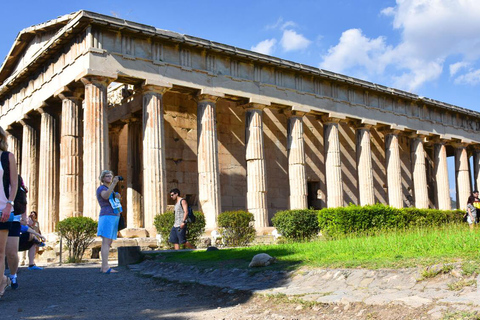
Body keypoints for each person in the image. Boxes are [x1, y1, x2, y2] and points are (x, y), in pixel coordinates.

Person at [0, 127, 18, 298]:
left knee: (0, 252)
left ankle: (0, 286)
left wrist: (9, 205)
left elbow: (14, 184)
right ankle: (3, 279)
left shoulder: (7, 157)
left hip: (2, 208)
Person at [96, 170, 122, 273]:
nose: (110, 178)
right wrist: (114, 183)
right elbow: (105, 196)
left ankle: (103, 267)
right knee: (106, 242)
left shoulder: (109, 189)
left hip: (112, 216)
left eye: (110, 176)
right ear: (102, 178)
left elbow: (113, 201)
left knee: (108, 242)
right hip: (107, 216)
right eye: (107, 176)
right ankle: (105, 267)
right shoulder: (101, 188)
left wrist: (117, 197)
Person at [6, 175, 27, 289]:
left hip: (13, 219)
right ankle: (3, 280)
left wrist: (23, 217)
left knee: (12, 253)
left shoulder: (16, 179)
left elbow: (22, 198)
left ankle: (13, 276)